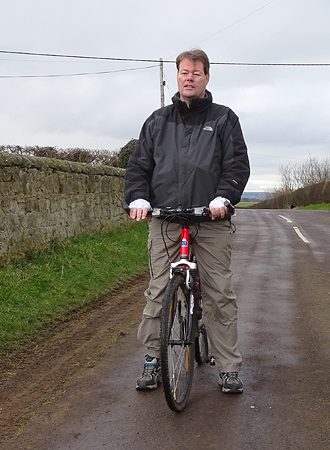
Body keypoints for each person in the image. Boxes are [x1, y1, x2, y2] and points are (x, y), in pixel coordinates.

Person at [124, 49, 251, 394]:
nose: (189, 77)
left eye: (196, 72)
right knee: (158, 291)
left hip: (209, 219)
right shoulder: (157, 121)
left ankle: (228, 367)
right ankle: (152, 360)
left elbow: (237, 165)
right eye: (184, 72)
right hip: (165, 218)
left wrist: (224, 197)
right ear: (176, 77)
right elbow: (139, 166)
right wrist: (138, 197)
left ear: (206, 77)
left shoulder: (224, 119)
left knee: (219, 293)